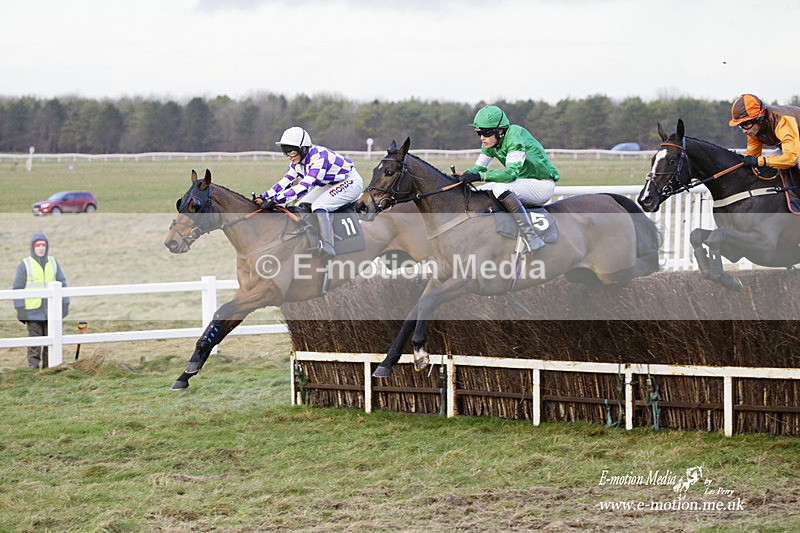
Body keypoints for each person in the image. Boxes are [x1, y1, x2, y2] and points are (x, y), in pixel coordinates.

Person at [460, 105, 560, 252]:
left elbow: (511, 173)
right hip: (521, 184)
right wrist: (461, 177)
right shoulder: (490, 143)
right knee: (478, 191)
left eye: (486, 133)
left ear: (499, 130)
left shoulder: (514, 134)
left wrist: (479, 176)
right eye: (479, 133)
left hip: (541, 185)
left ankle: (531, 237)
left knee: (500, 188)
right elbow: (478, 169)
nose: (482, 137)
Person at [256, 126, 364, 257]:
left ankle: (328, 246)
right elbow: (284, 182)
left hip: (350, 181)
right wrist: (264, 196)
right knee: (300, 206)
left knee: (319, 206)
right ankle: (310, 240)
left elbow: (304, 187)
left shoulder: (319, 157)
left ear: (304, 148)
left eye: (292, 152)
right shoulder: (297, 162)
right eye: (286, 153)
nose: (290, 157)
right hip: (330, 183)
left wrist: (275, 200)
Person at [12, 233, 69, 369]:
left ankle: (49, 370)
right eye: (38, 245)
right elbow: (17, 288)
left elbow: (62, 284)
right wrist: (20, 309)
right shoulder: (24, 264)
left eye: (43, 245)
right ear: (33, 247)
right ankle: (33, 371)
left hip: (51, 311)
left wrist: (65, 304)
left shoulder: (53, 263)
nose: (41, 248)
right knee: (35, 343)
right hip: (32, 312)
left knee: (52, 343)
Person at [729, 93, 800, 171]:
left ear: (760, 118)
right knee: (764, 168)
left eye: (746, 124)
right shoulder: (753, 129)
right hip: (793, 149)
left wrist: (760, 161)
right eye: (741, 126)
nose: (744, 131)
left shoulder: (782, 120)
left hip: (793, 153)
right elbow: (752, 157)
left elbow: (791, 158)